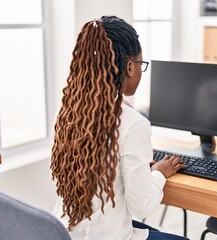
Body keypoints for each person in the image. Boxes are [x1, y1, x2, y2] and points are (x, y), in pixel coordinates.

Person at [50, 16, 187, 240]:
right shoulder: (133, 124)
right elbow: (142, 206)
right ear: (130, 67)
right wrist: (158, 173)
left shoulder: (68, 111)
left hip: (67, 233)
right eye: (141, 64)